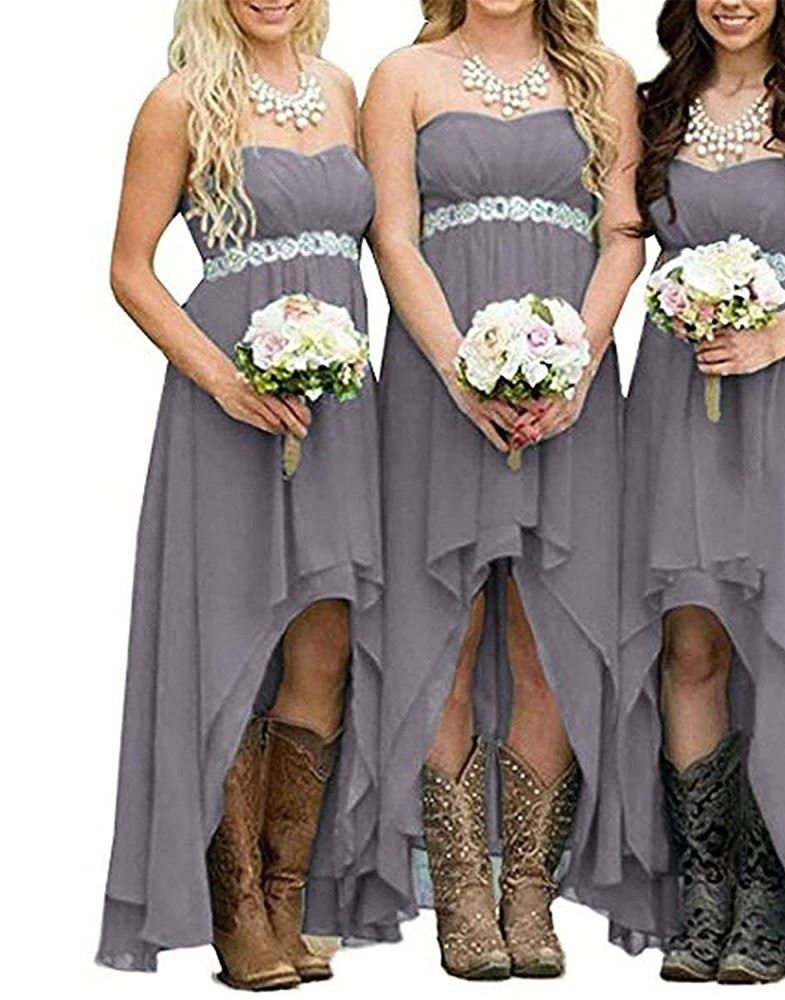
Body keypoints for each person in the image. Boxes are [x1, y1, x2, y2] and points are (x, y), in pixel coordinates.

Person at [97, 0, 386, 988]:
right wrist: (224, 379)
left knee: (327, 636)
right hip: (227, 401)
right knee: (228, 638)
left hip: (343, 399)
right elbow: (130, 270)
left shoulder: (345, 90)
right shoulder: (178, 101)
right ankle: (238, 910)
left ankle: (290, 886)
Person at [614, 0, 785, 983]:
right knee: (687, 638)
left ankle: (770, 894)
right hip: (670, 396)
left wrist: (774, 335)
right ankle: (705, 892)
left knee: (784, 636)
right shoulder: (657, 109)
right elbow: (621, 241)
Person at [363, 0, 643, 980]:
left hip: (572, 388)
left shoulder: (603, 74)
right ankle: (462, 895)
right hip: (435, 382)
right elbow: (392, 237)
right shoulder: (402, 74)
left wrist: (576, 361)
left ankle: (529, 890)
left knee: (550, 622)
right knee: (447, 622)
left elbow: (622, 235)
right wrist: (455, 369)